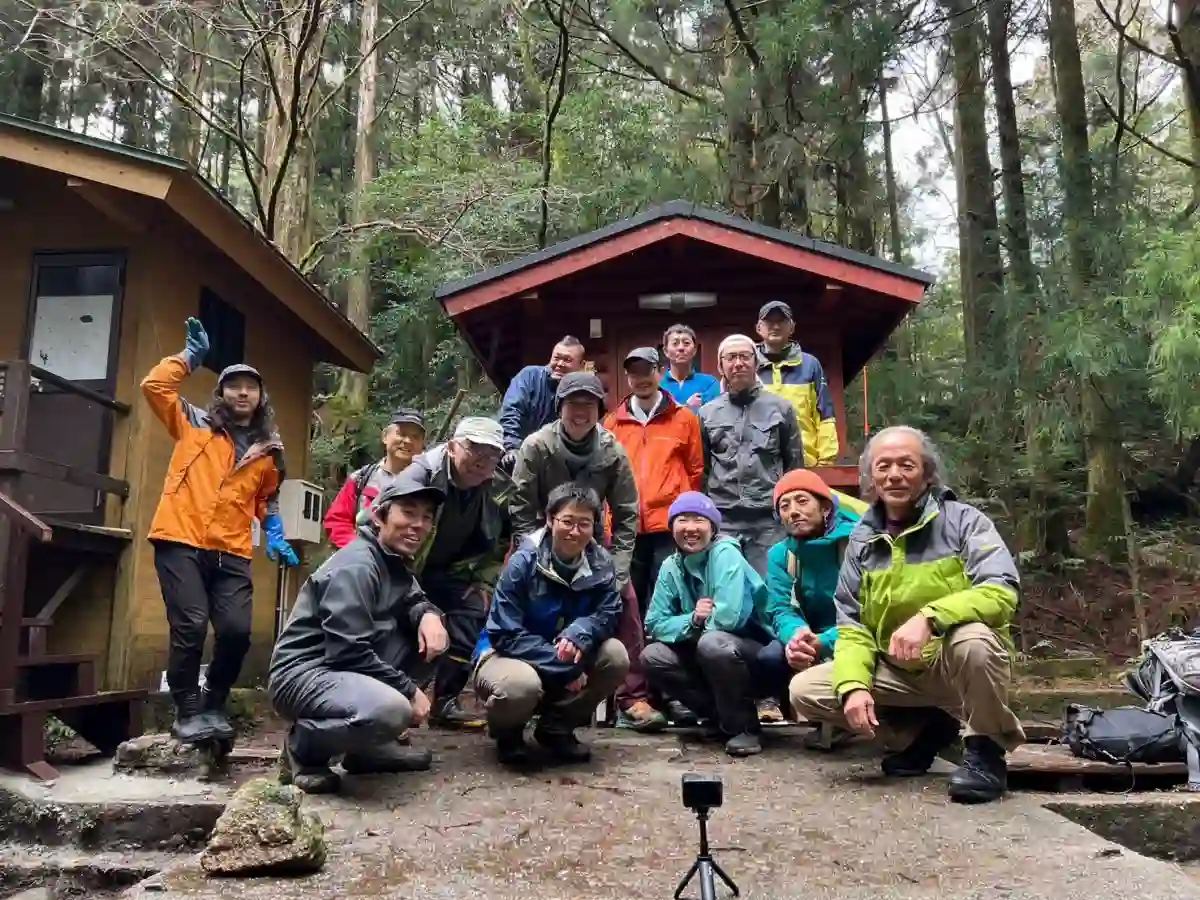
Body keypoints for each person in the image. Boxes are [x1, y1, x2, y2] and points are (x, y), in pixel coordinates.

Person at [789, 426, 1025, 804]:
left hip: (953, 664)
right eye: (883, 466)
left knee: (975, 640)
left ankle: (986, 750)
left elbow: (1001, 590)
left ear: (927, 473)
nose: (894, 475)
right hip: (897, 669)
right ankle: (922, 733)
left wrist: (931, 617)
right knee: (807, 691)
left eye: (907, 465)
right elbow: (852, 624)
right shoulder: (862, 539)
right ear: (871, 477)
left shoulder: (964, 522)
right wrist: (854, 686)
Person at [141, 317, 299, 746]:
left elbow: (267, 498)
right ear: (222, 393)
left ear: (261, 397)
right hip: (180, 539)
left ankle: (214, 703)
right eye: (234, 386)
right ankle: (187, 711)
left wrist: (276, 532)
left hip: (231, 550)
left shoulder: (269, 451)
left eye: (250, 387)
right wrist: (188, 358)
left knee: (236, 631)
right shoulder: (193, 422)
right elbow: (154, 387)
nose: (242, 393)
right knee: (191, 626)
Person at [268, 479, 451, 794]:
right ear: (379, 517)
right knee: (392, 709)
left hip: (341, 666)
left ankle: (367, 749)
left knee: (433, 639)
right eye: (408, 513)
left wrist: (429, 615)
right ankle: (304, 749)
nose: (418, 525)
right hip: (303, 673)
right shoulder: (358, 565)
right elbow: (347, 651)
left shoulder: (392, 561)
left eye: (426, 517)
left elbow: (413, 598)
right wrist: (409, 691)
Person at [509, 371, 659, 730]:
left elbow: (626, 513)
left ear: (599, 410)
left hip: (593, 542)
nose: (580, 412)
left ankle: (632, 697)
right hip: (541, 540)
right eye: (572, 404)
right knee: (516, 597)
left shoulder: (611, 450)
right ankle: (518, 691)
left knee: (627, 603)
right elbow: (519, 506)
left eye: (588, 405)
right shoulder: (536, 446)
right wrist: (534, 556)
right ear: (559, 407)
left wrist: (618, 567)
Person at [473, 484, 630, 766]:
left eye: (584, 523)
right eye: (567, 521)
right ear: (549, 519)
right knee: (520, 686)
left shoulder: (601, 563)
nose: (575, 531)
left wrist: (581, 632)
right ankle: (508, 733)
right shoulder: (523, 562)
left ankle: (556, 727)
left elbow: (608, 613)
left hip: (567, 650)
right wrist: (565, 666)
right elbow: (504, 632)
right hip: (506, 653)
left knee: (615, 655)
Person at [602, 347, 705, 731]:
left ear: (660, 372)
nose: (641, 379)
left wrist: (682, 517)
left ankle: (672, 692)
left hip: (668, 529)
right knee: (629, 613)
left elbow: (695, 471)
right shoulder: (612, 422)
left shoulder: (684, 418)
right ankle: (634, 697)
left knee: (669, 609)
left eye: (647, 371)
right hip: (625, 530)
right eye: (634, 373)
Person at [641, 493, 783, 758]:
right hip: (707, 648)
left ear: (713, 528)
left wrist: (690, 630)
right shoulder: (671, 566)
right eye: (682, 520)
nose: (690, 528)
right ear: (671, 527)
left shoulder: (725, 553)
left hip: (757, 655)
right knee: (653, 656)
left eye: (699, 520)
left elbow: (729, 618)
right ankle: (719, 718)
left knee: (713, 644)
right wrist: (692, 619)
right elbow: (654, 624)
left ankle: (745, 727)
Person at [400, 417, 510, 730]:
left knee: (472, 609)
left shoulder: (500, 488)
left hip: (453, 570)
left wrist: (483, 580)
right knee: (408, 624)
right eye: (474, 448)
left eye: (492, 453)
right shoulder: (420, 475)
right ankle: (399, 701)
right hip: (405, 567)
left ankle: (445, 702)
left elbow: (502, 539)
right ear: (451, 447)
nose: (482, 460)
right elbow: (379, 524)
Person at [757, 469, 864, 724]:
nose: (793, 511)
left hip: (857, 634)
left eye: (802, 501)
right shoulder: (781, 555)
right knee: (769, 657)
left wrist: (824, 642)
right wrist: (796, 636)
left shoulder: (857, 545)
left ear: (825, 508)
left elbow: (868, 610)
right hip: (809, 636)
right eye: (784, 506)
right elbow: (781, 609)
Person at [699, 333, 802, 575]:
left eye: (745, 357)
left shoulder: (781, 408)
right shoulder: (707, 413)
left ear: (756, 363)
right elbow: (702, 469)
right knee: (727, 588)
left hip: (769, 521)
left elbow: (795, 466)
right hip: (723, 519)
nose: (738, 363)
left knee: (770, 588)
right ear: (721, 366)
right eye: (731, 358)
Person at [324, 409, 427, 549]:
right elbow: (337, 521)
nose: (408, 441)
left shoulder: (427, 484)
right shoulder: (361, 478)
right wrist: (358, 549)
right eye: (401, 434)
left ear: (422, 445)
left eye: (415, 437)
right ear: (385, 437)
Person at [754, 301, 840, 467]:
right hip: (760, 468)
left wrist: (825, 464)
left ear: (792, 327)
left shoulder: (811, 365)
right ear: (759, 328)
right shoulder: (748, 366)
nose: (775, 326)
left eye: (781, 321)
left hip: (804, 465)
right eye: (769, 321)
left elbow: (825, 416)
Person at [498, 336, 586, 452]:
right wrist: (512, 447)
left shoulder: (581, 392)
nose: (560, 363)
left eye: (567, 360)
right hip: (518, 448)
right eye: (556, 358)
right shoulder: (530, 376)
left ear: (581, 365)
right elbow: (512, 411)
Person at [660, 324, 721, 414]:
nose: (681, 348)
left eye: (686, 343)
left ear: (694, 350)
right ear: (665, 351)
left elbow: (713, 416)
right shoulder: (658, 387)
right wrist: (687, 406)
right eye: (675, 344)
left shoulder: (710, 383)